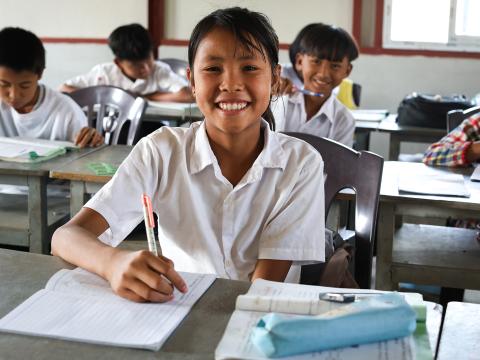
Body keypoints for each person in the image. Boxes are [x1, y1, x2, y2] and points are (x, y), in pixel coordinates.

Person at [52, 7, 326, 303]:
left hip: (260, 319)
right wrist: (113, 263)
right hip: (174, 309)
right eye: (212, 69)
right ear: (192, 82)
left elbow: (260, 292)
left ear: (274, 79)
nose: (231, 84)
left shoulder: (301, 163)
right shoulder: (161, 151)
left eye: (249, 68)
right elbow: (65, 238)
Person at [0, 27, 102, 147]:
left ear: (40, 74)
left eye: (24, 85)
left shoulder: (66, 112)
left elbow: (84, 155)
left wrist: (91, 141)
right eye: (3, 84)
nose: (14, 94)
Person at [271, 23, 358, 147]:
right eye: (316, 62)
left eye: (335, 66)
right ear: (300, 62)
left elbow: (338, 164)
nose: (323, 74)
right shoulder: (277, 99)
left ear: (347, 71)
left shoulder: (343, 120)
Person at [60, 23, 193, 103]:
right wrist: (102, 96)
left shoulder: (159, 70)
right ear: (118, 63)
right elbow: (64, 88)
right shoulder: (104, 72)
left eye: (148, 59)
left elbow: (188, 94)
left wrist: (148, 97)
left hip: (149, 127)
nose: (146, 68)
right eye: (136, 65)